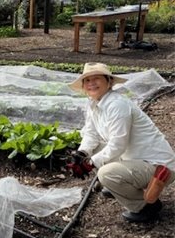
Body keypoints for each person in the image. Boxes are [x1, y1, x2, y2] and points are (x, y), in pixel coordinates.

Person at [67, 62, 175, 223]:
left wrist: (90, 163)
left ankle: (146, 207)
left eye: (96, 79)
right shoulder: (94, 103)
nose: (91, 83)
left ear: (109, 82)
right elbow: (91, 134)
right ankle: (121, 187)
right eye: (87, 80)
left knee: (106, 174)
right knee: (97, 150)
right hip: (135, 159)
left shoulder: (117, 105)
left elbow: (118, 144)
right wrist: (81, 154)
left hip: (158, 166)